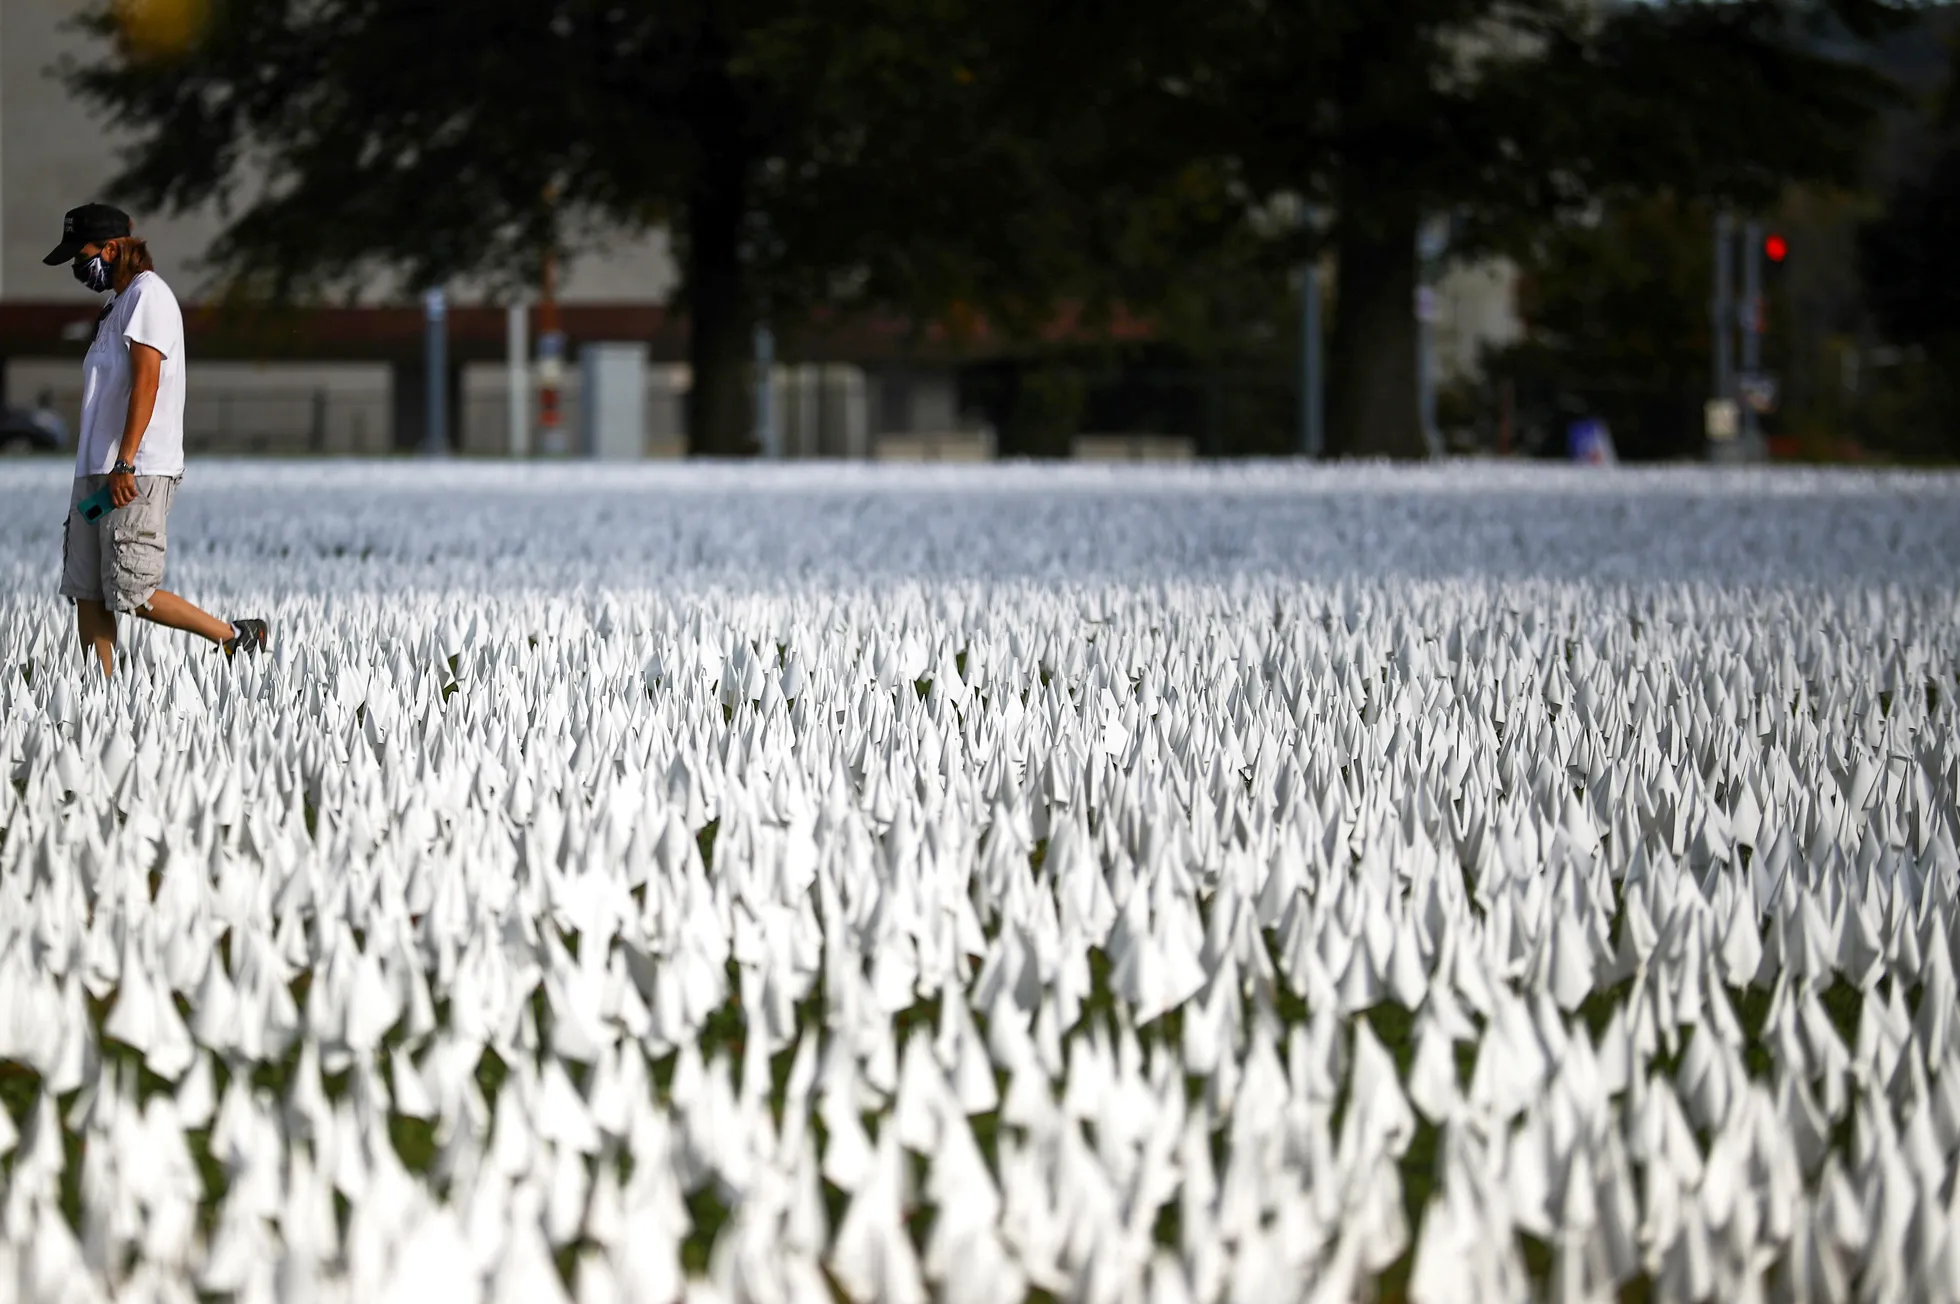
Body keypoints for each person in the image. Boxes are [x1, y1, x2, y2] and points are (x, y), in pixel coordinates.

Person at [45, 203, 267, 676]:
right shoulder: (115, 307)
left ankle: (236, 637)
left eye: (80, 255)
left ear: (110, 249)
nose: (76, 266)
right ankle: (99, 688)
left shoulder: (149, 296)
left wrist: (125, 462)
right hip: (95, 472)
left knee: (133, 590)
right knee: (87, 589)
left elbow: (147, 383)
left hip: (135, 471)